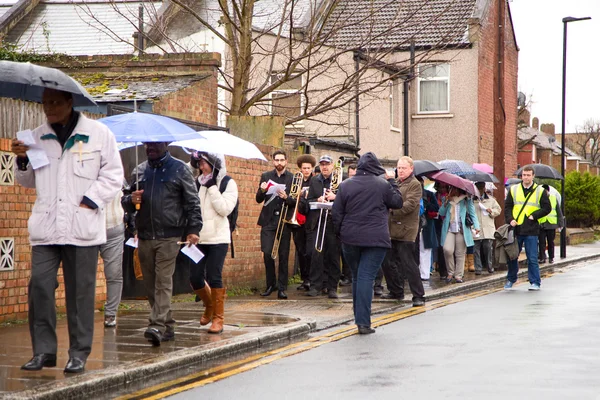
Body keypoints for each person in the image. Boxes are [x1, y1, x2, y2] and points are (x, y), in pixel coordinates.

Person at [13, 88, 123, 373]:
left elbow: (113, 175)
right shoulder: (35, 137)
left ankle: (78, 353)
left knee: (80, 294)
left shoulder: (99, 134)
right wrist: (22, 159)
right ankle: (44, 352)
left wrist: (91, 201)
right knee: (39, 286)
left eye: (54, 102)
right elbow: (28, 181)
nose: (48, 108)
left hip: (81, 227)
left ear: (69, 103)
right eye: (45, 102)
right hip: (46, 227)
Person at [122, 142, 202, 346]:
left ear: (165, 145)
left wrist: (194, 229)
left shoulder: (180, 169)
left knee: (163, 280)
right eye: (148, 145)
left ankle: (156, 323)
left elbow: (192, 201)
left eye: (156, 144)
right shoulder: (139, 171)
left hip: (170, 235)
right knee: (149, 282)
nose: (151, 148)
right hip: (145, 234)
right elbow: (125, 202)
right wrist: (131, 199)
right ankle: (168, 325)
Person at [333, 152, 402, 334]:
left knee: (357, 276)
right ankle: (363, 322)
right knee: (366, 277)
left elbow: (337, 213)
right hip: (376, 239)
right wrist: (393, 181)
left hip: (350, 237)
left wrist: (340, 233)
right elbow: (397, 202)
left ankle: (359, 318)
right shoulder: (383, 185)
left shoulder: (345, 185)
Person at [189, 152, 238, 334]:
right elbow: (193, 208)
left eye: (204, 163)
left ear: (214, 163)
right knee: (194, 277)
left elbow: (224, 209)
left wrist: (211, 187)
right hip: (199, 238)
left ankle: (218, 318)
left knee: (214, 275)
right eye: (199, 164)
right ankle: (209, 305)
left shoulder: (228, 183)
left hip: (218, 238)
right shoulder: (197, 182)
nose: (201, 168)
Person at [381, 156, 426, 306]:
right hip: (391, 229)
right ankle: (396, 291)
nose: (400, 170)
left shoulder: (415, 184)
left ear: (411, 169)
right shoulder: (395, 183)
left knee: (408, 264)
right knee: (387, 261)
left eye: (403, 168)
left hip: (406, 231)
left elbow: (410, 205)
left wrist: (391, 209)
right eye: (398, 168)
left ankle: (419, 295)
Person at [300, 155, 341, 299]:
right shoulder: (314, 181)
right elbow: (307, 202)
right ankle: (315, 286)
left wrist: (335, 198)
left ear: (332, 166)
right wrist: (317, 199)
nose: (324, 167)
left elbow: (346, 202)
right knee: (315, 255)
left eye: (327, 164)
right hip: (317, 222)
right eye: (322, 164)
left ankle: (332, 288)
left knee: (333, 257)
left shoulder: (339, 182)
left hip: (332, 222)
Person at [504, 166, 551, 290]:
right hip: (517, 228)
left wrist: (534, 216)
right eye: (524, 175)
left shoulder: (539, 191)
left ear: (533, 176)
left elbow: (547, 208)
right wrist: (510, 220)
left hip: (531, 229)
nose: (526, 177)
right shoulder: (513, 190)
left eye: (528, 175)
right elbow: (507, 207)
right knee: (512, 256)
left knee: (532, 258)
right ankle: (511, 279)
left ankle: (535, 282)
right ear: (521, 176)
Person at [256, 150, 295, 299]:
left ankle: (282, 288)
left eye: (281, 160)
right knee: (267, 253)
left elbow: (294, 202)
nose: (279, 163)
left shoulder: (291, 178)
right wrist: (262, 190)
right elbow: (258, 199)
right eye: (276, 160)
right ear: (273, 161)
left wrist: (287, 198)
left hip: (284, 220)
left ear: (286, 161)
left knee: (283, 255)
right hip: (268, 220)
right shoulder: (266, 176)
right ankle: (270, 284)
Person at [439, 186, 480, 284]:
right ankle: (450, 272)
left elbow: (472, 213)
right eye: (451, 189)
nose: (453, 191)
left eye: (455, 189)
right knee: (447, 250)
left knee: (460, 253)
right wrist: (445, 202)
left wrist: (476, 226)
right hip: (449, 229)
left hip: (461, 229)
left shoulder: (466, 200)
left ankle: (458, 275)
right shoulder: (447, 199)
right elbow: (441, 212)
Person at [102, 190, 126, 328]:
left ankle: (110, 313)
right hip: (87, 229)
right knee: (84, 276)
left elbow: (128, 197)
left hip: (114, 228)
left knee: (114, 273)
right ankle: (81, 312)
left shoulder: (117, 175)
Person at [293, 154, 316, 291]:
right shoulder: (296, 181)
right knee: (300, 251)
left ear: (312, 168)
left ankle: (312, 279)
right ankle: (304, 279)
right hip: (298, 220)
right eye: (304, 168)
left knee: (310, 251)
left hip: (310, 219)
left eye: (308, 168)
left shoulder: (315, 181)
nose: (306, 170)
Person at [473, 182, 501, 274]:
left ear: (484, 188)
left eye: (482, 188)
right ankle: (478, 268)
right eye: (478, 188)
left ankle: (489, 266)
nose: (480, 190)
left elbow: (498, 210)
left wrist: (491, 211)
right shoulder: (472, 200)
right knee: (476, 248)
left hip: (488, 227)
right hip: (476, 227)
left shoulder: (491, 200)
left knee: (488, 247)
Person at [340, 163, 358, 287]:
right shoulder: (345, 186)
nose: (352, 178)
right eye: (350, 175)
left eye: (354, 175)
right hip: (347, 223)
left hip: (359, 224)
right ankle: (347, 276)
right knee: (345, 252)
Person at [538, 184, 563, 264]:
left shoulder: (553, 199)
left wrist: (560, 223)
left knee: (550, 242)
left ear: (548, 191)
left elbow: (559, 212)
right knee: (541, 242)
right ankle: (542, 257)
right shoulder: (538, 199)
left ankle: (551, 257)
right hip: (542, 223)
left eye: (545, 191)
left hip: (551, 224)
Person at [420, 184, 439, 280]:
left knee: (426, 250)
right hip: (413, 226)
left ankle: (424, 274)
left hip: (426, 225)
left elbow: (436, 208)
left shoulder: (429, 194)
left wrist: (426, 203)